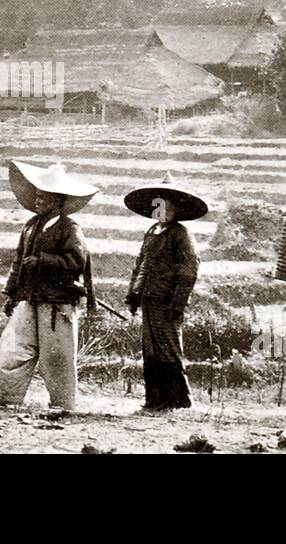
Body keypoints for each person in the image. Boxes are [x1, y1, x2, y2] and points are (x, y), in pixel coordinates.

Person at [0, 160, 97, 411]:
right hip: (28, 297)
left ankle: (63, 405)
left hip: (56, 301)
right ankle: (4, 397)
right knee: (13, 348)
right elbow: (18, 261)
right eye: (36, 195)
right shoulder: (30, 226)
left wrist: (43, 261)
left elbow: (77, 262)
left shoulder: (69, 228)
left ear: (57, 200)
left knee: (56, 356)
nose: (37, 200)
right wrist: (11, 293)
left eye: (43, 196)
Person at [124, 173, 205, 412]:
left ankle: (176, 400)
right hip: (149, 300)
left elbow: (189, 272)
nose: (161, 210)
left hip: (167, 302)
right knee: (150, 351)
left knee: (169, 349)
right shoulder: (151, 232)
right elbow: (140, 265)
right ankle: (154, 400)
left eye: (166, 206)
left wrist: (177, 305)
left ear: (175, 209)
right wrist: (133, 296)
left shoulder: (181, 234)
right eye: (157, 206)